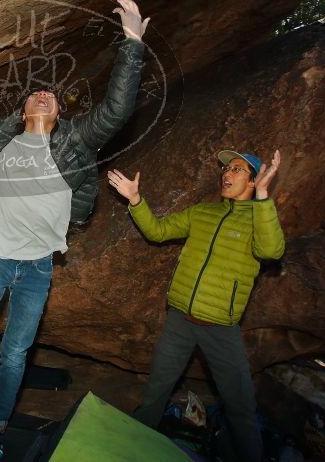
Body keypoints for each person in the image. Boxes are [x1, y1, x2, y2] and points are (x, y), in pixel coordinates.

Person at [0, 0, 150, 461]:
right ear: (22, 111)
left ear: (60, 113)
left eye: (52, 96)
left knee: (16, 357)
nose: (44, 95)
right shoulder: (0, 137)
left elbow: (118, 109)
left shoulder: (76, 141)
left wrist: (133, 43)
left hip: (38, 269)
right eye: (35, 94)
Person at [107, 149, 285, 462]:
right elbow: (158, 231)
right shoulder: (203, 212)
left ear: (254, 179)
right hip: (180, 320)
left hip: (221, 328)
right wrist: (136, 200)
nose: (227, 174)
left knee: (240, 407)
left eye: (238, 169)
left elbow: (272, 251)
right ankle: (128, 451)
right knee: (155, 394)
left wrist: (263, 197)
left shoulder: (259, 220)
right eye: (226, 168)